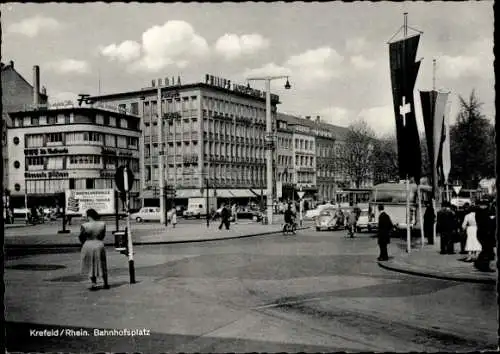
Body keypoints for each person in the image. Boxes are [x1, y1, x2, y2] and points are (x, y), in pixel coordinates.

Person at [79, 209, 109, 290]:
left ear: (88, 216)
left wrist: (84, 243)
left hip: (88, 244)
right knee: (102, 264)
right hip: (99, 244)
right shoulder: (102, 224)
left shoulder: (84, 225)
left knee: (90, 264)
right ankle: (105, 283)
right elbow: (103, 236)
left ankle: (93, 283)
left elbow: (81, 237)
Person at [474, 200, 495, 272]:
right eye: (484, 205)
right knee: (487, 250)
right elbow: (485, 223)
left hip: (484, 233)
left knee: (486, 249)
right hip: (484, 233)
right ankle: (483, 266)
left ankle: (480, 264)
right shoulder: (481, 212)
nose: (485, 206)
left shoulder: (482, 212)